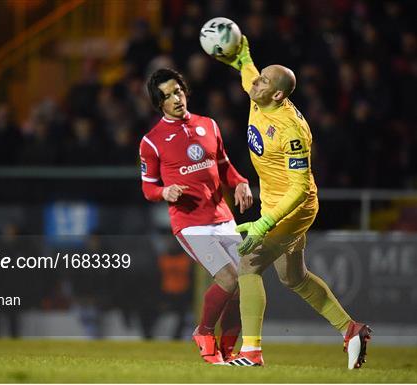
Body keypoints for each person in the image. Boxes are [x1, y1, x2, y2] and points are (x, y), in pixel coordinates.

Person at [212, 36, 372, 368]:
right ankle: (351, 329)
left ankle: (251, 352)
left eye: (264, 82)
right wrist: (241, 56)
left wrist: (265, 222)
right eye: (259, 79)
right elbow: (249, 73)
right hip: (274, 201)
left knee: (249, 265)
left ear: (278, 95)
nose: (256, 83)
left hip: (293, 208)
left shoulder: (291, 130)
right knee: (293, 278)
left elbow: (299, 189)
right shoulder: (260, 94)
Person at [140, 68, 253, 363]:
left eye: (177, 91)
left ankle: (228, 350)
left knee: (246, 284)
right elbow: (148, 187)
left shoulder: (209, 125)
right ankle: (203, 332)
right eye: (167, 96)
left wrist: (240, 182)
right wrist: (165, 193)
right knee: (228, 279)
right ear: (159, 103)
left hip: (223, 216)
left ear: (185, 90)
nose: (175, 99)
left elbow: (225, 165)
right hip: (191, 224)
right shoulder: (151, 141)